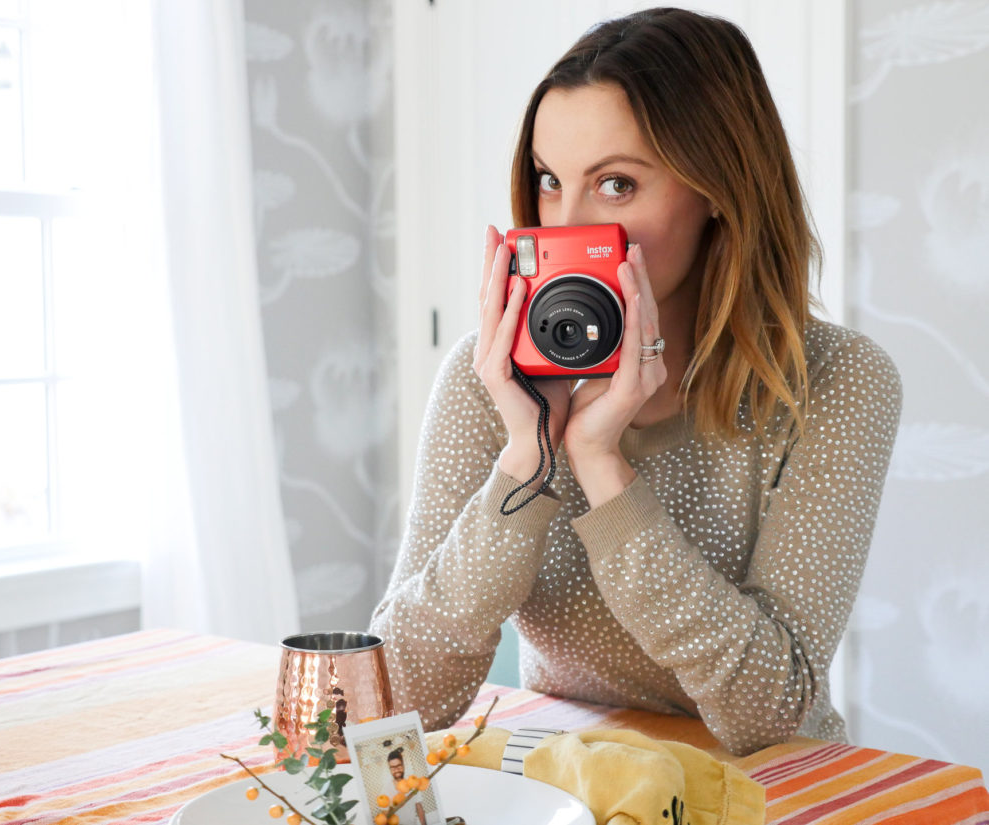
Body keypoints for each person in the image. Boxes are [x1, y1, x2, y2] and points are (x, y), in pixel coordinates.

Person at [370, 7, 902, 756]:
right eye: (550, 181)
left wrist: (601, 463)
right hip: (571, 784)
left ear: (719, 188)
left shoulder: (835, 381)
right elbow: (395, 696)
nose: (567, 224)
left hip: (768, 792)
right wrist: (530, 458)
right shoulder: (485, 379)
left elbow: (767, 711)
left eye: (616, 184)